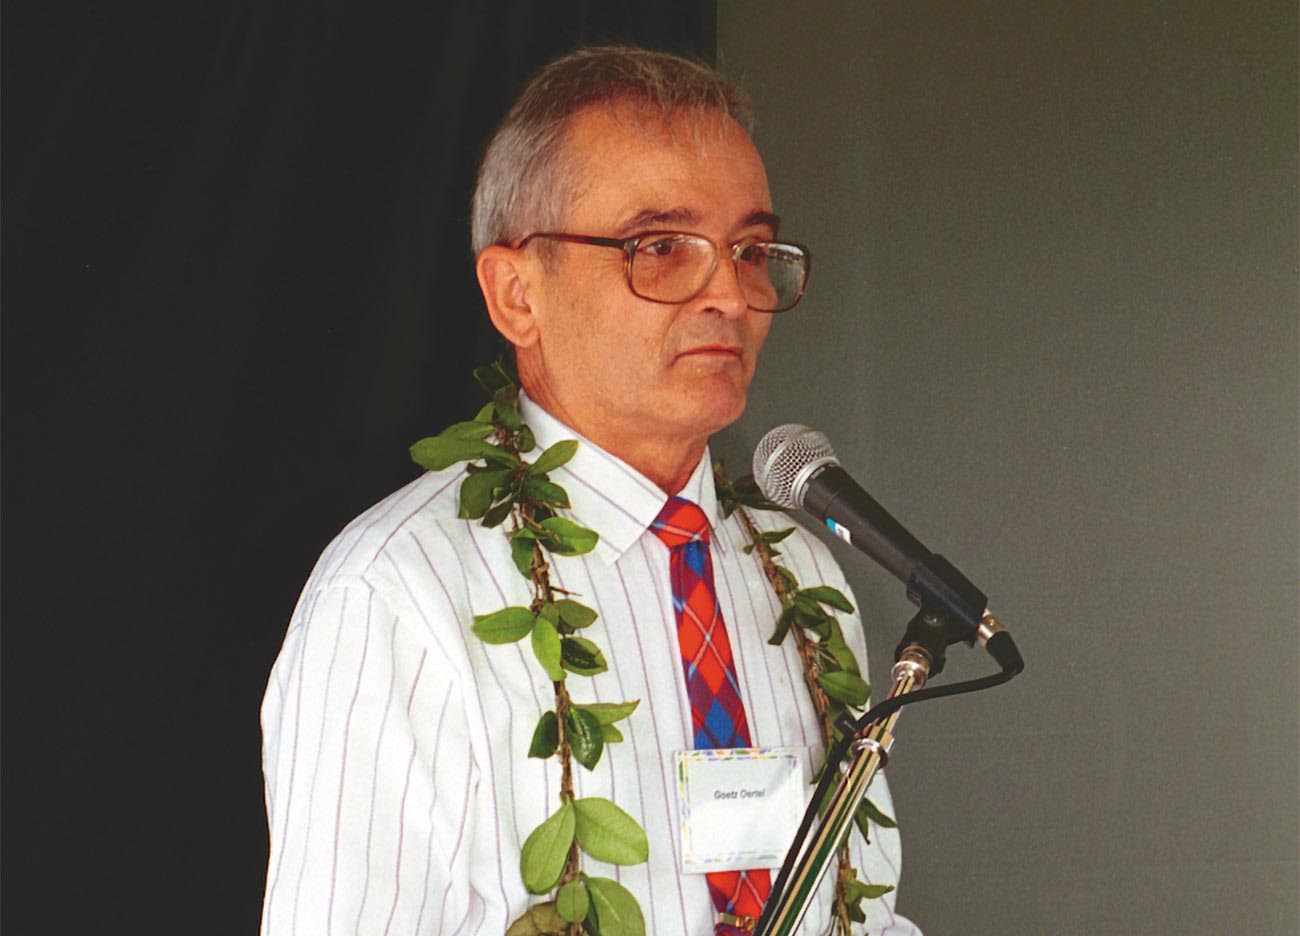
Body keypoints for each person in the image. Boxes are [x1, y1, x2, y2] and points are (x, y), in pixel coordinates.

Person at [259, 45, 920, 935]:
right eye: (658, 246)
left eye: (751, 249)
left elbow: (863, 914)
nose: (728, 291)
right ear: (517, 293)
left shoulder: (803, 577)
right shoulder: (397, 597)